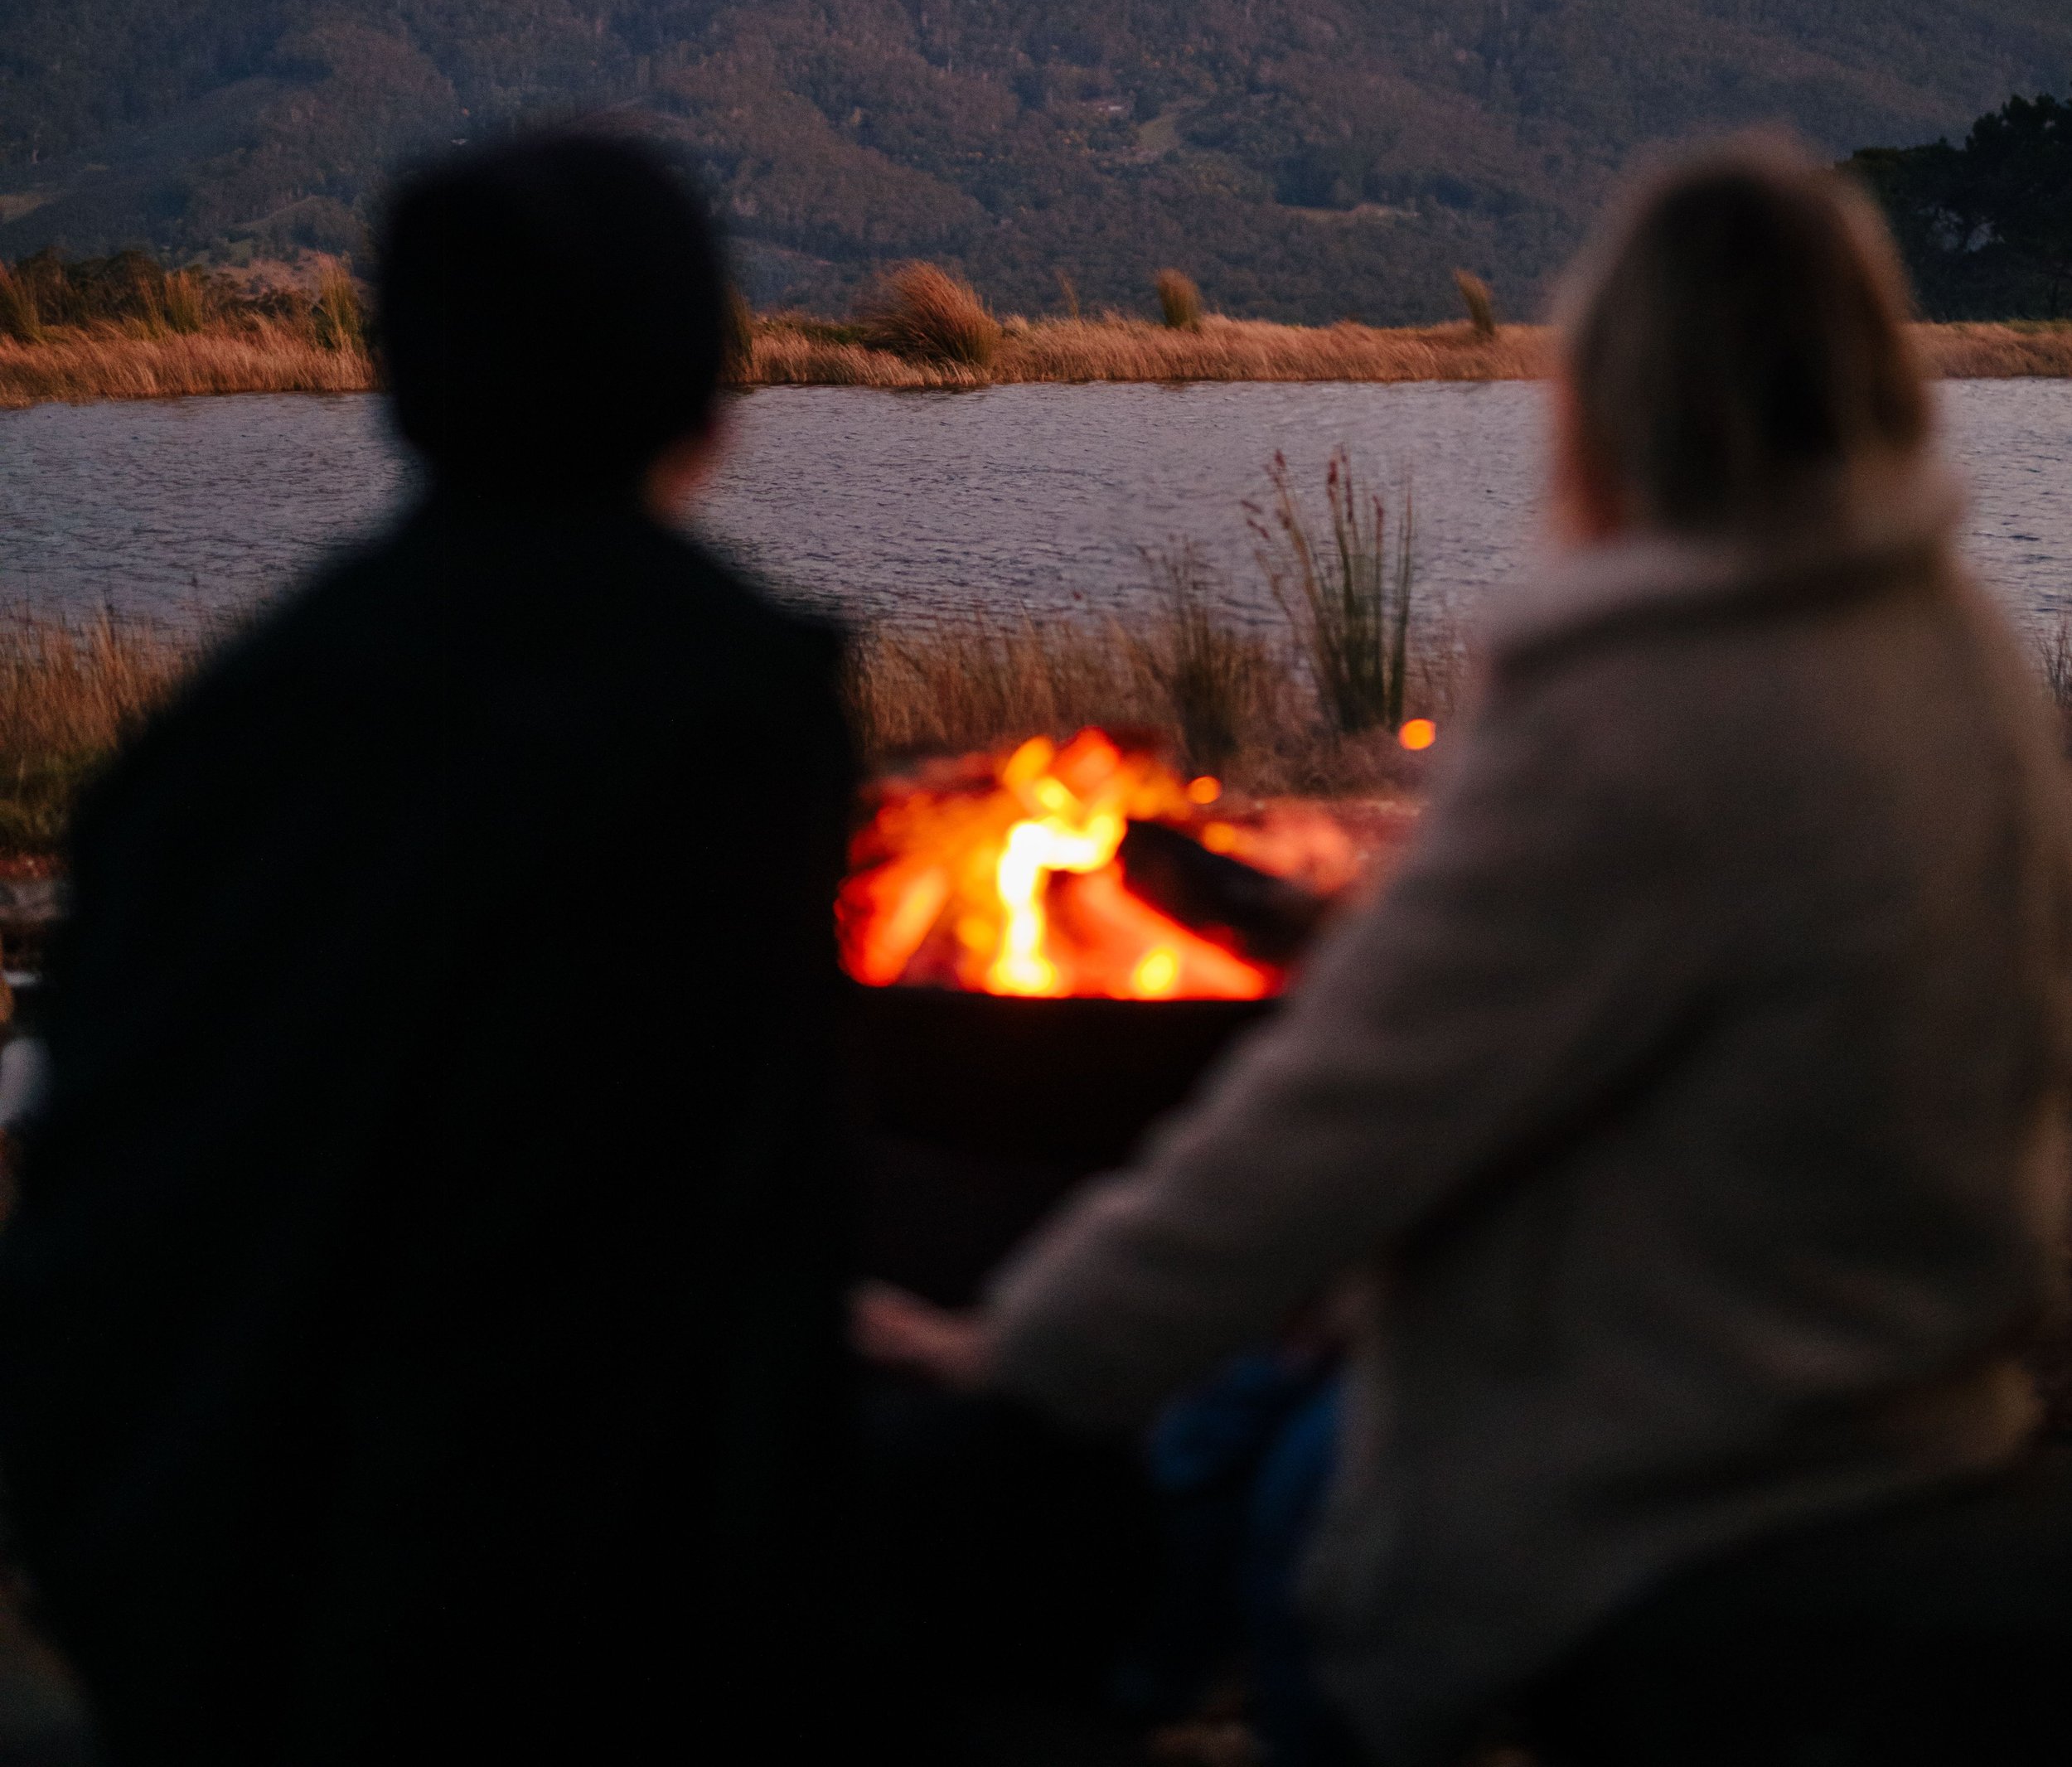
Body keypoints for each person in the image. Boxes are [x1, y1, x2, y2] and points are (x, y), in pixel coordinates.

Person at [860, 137, 2072, 1764]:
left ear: (1614, 392)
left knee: (1207, 1488)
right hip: (1916, 1400)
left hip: (1671, 1464)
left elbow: (1326, 1129)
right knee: (1262, 1397)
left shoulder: (1638, 701)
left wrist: (1010, 1355)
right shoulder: (1957, 656)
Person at [0, 131, 855, 1767]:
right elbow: (714, 1223)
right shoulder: (723, 707)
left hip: (171, 1556)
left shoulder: (234, 720)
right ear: (699, 402)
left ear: (397, 386)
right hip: (511, 1612)